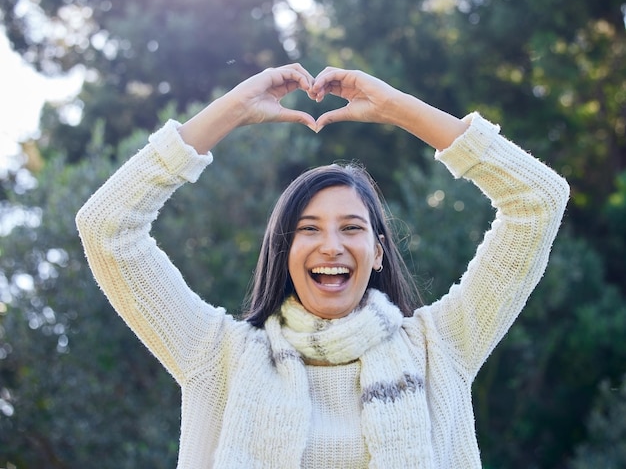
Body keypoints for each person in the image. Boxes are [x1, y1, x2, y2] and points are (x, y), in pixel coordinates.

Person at [76, 63, 569, 468]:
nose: (331, 245)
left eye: (351, 228)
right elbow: (106, 228)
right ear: (282, 252)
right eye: (308, 229)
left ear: (377, 252)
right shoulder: (216, 357)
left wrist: (398, 109)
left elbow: (539, 202)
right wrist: (231, 111)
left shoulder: (442, 347)